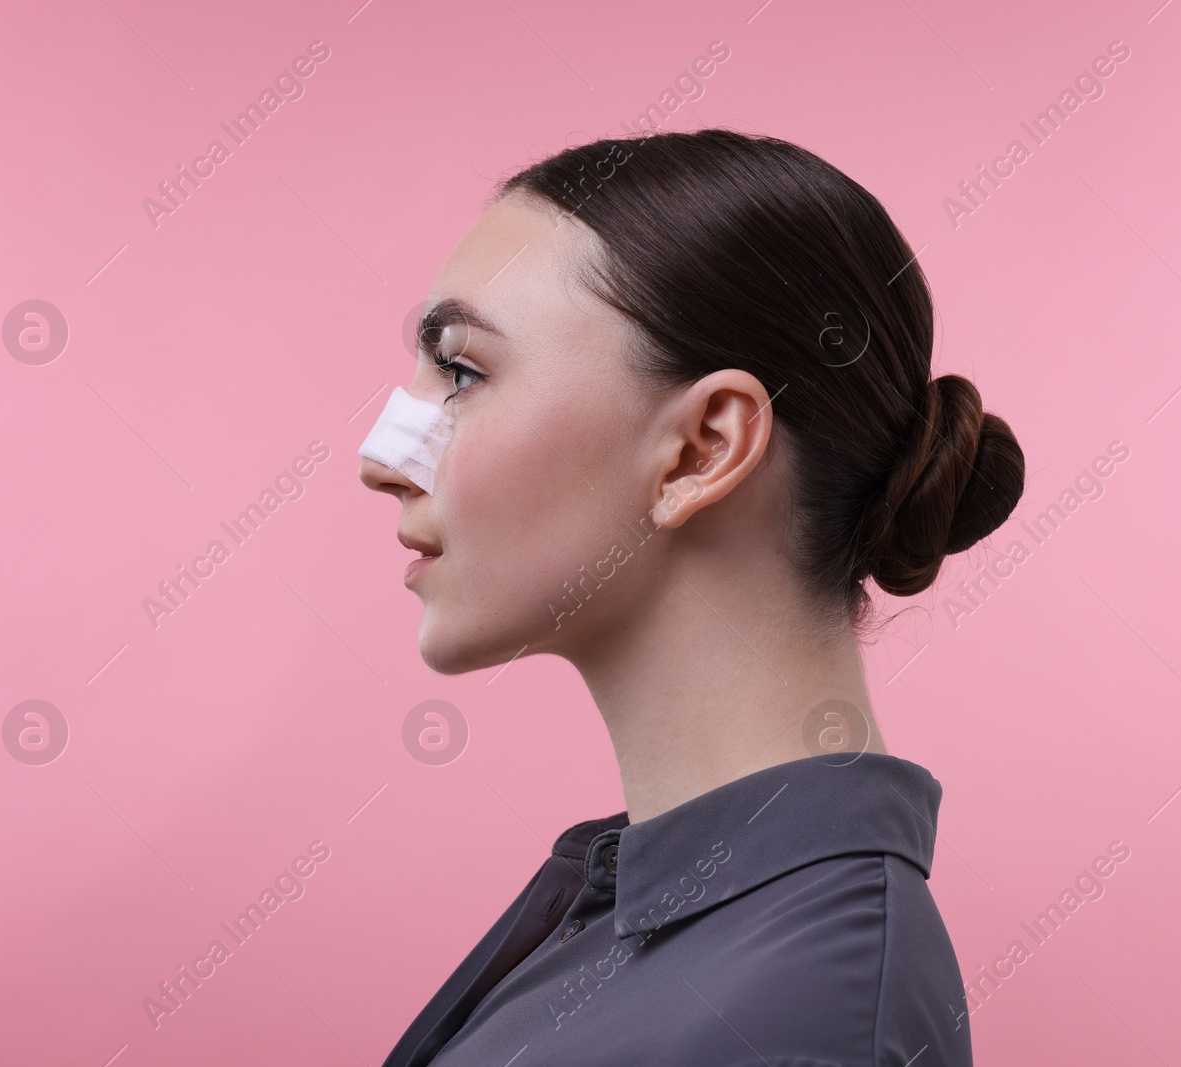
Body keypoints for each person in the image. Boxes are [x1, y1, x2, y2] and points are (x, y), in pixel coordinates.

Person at [360, 127, 1024, 1067]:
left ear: (704, 447)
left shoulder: (800, 1017)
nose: (381, 458)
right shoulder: (668, 924)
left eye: (463, 371)